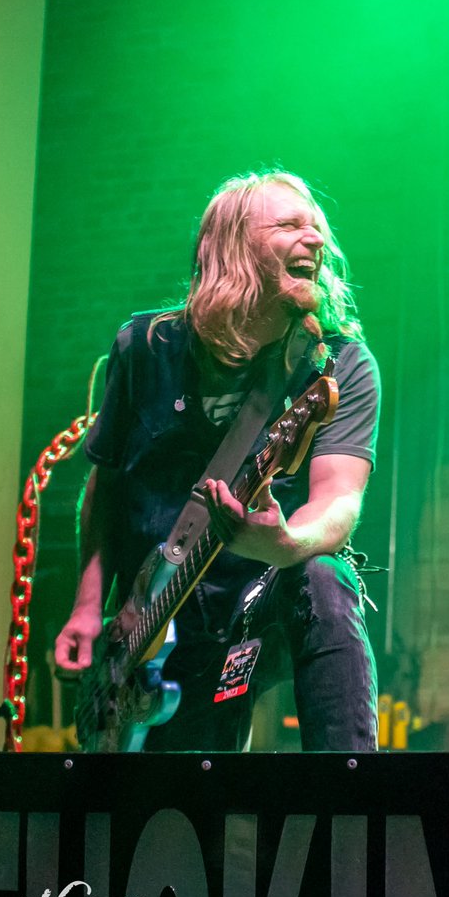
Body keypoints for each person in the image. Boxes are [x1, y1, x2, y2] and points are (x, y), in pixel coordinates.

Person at [55, 169, 380, 753]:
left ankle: (350, 798)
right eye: (289, 225)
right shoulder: (144, 349)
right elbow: (105, 484)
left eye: (318, 229)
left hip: (255, 605)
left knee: (326, 577)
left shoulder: (336, 366)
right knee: (179, 813)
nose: (316, 241)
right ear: (228, 245)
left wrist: (282, 544)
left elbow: (339, 500)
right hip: (153, 627)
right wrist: (87, 606)